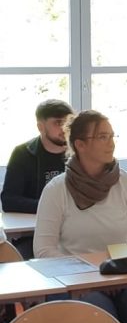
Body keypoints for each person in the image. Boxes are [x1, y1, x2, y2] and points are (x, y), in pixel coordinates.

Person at [33, 110, 127, 323]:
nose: (111, 143)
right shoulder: (56, 189)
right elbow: (43, 251)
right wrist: (94, 273)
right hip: (76, 280)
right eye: (102, 137)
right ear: (80, 145)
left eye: (112, 136)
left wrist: (119, 270)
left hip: (124, 275)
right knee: (100, 317)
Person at [1, 98, 73, 258]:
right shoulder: (23, 153)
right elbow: (9, 200)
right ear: (41, 127)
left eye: (68, 122)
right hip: (32, 234)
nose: (65, 128)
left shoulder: (80, 151)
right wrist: (52, 208)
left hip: (75, 231)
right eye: (58, 123)